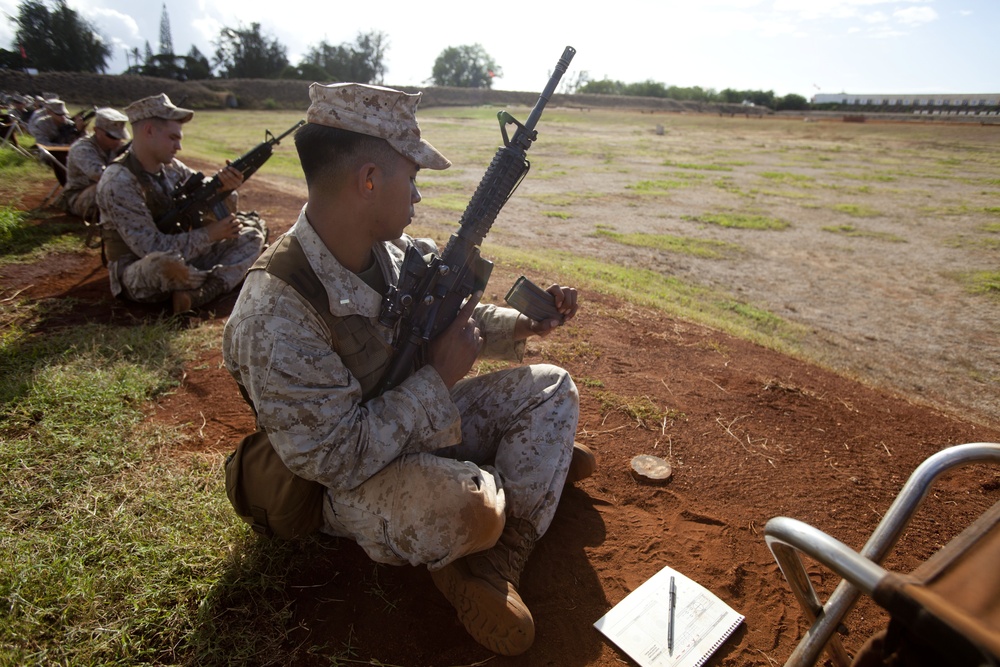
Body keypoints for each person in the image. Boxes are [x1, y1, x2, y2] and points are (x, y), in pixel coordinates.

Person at [222, 82, 595, 657]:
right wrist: (437, 382)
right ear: (369, 179)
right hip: (343, 481)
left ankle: (495, 563)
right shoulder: (274, 312)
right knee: (466, 509)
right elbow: (333, 459)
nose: (418, 195)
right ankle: (514, 482)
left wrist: (523, 324)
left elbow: (445, 313)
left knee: (552, 387)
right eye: (413, 175)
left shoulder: (390, 254)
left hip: (411, 418)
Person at [96, 93, 267, 314]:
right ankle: (225, 276)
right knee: (165, 266)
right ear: (149, 131)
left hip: (186, 251)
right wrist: (209, 235)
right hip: (140, 265)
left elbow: (207, 195)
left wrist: (224, 190)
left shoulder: (172, 167)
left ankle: (200, 292)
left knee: (251, 236)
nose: (179, 147)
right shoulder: (118, 182)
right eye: (173, 138)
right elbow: (150, 247)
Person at [63, 107, 130, 222]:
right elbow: (101, 176)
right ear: (96, 131)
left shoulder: (116, 147)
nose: (117, 141)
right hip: (79, 197)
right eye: (113, 137)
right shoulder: (82, 149)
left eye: (120, 137)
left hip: (102, 193)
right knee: (110, 185)